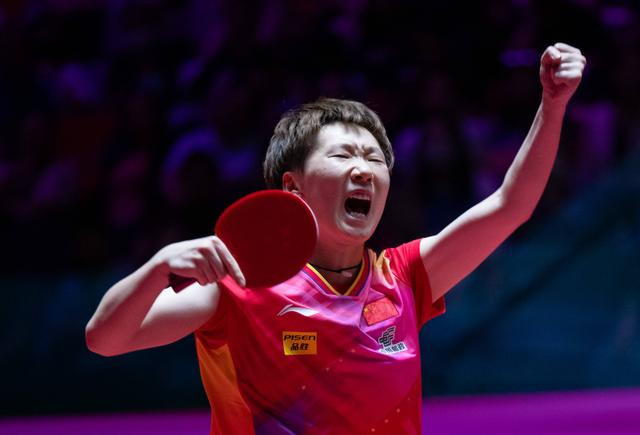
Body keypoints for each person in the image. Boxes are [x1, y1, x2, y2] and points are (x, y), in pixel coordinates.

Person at [86, 42, 586, 434]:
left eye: (375, 159)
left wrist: (552, 105)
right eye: (343, 155)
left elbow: (510, 206)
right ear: (292, 187)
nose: (364, 170)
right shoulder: (239, 285)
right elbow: (106, 339)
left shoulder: (405, 277)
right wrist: (157, 269)